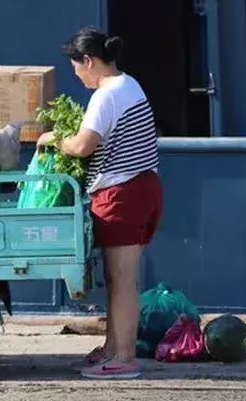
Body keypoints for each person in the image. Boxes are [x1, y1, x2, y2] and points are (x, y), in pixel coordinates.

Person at [37, 26, 162, 380]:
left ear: (89, 61)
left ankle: (124, 357)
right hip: (136, 190)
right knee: (116, 276)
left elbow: (82, 146)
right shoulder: (129, 84)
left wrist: (53, 138)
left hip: (124, 194)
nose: (76, 76)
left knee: (123, 279)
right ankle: (111, 348)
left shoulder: (106, 95)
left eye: (76, 67)